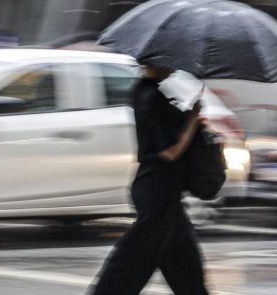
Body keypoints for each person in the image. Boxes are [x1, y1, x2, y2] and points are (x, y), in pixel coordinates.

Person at [90, 64, 209, 295]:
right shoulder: (152, 97)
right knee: (130, 260)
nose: (174, 66)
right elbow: (170, 153)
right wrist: (192, 120)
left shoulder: (143, 90)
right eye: (169, 61)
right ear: (156, 62)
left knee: (184, 262)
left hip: (159, 189)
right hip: (158, 191)